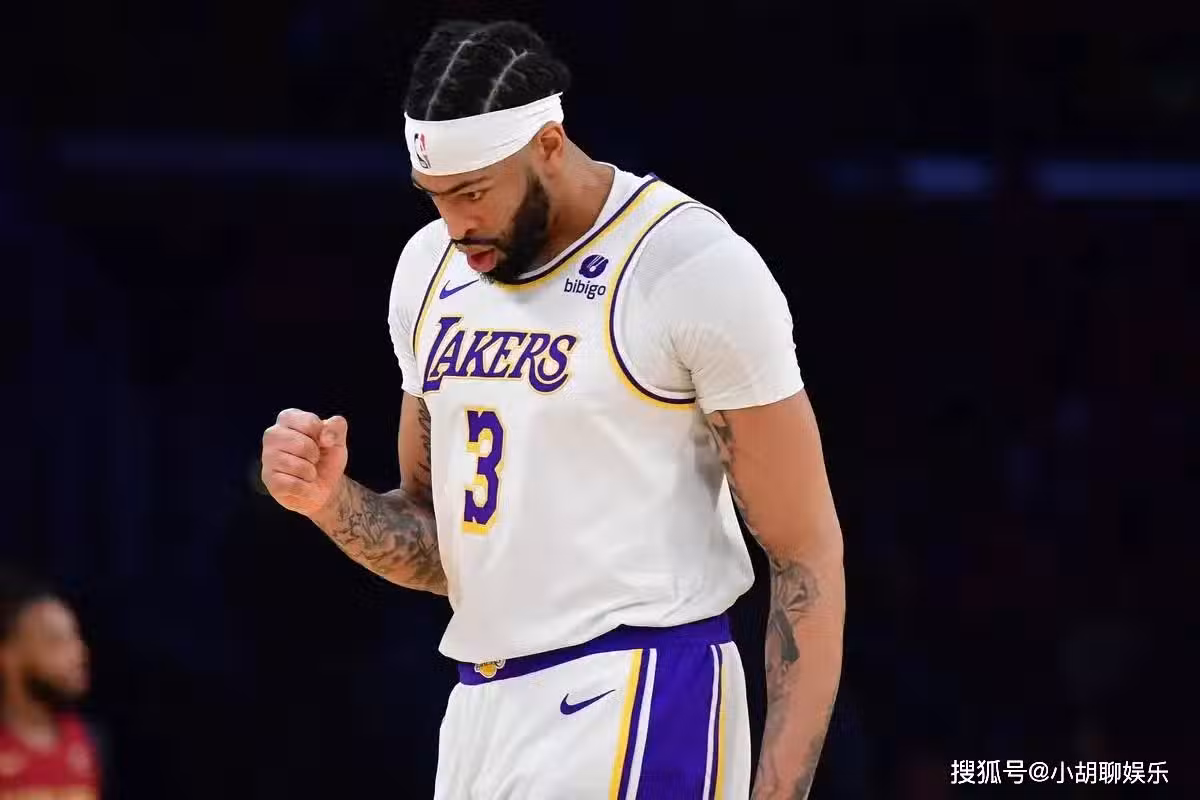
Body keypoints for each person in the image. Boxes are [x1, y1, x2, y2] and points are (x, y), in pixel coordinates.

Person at [260, 19, 844, 799]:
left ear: (548, 143)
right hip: (482, 708)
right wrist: (330, 501)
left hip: (643, 690)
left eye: (473, 192)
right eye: (435, 197)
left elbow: (806, 556)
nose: (455, 225)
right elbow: (442, 548)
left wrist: (779, 793)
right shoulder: (429, 270)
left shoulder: (688, 267)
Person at [0, 569, 101, 799]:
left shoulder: (91, 742)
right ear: (8, 655)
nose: (79, 653)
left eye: (75, 638)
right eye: (56, 641)